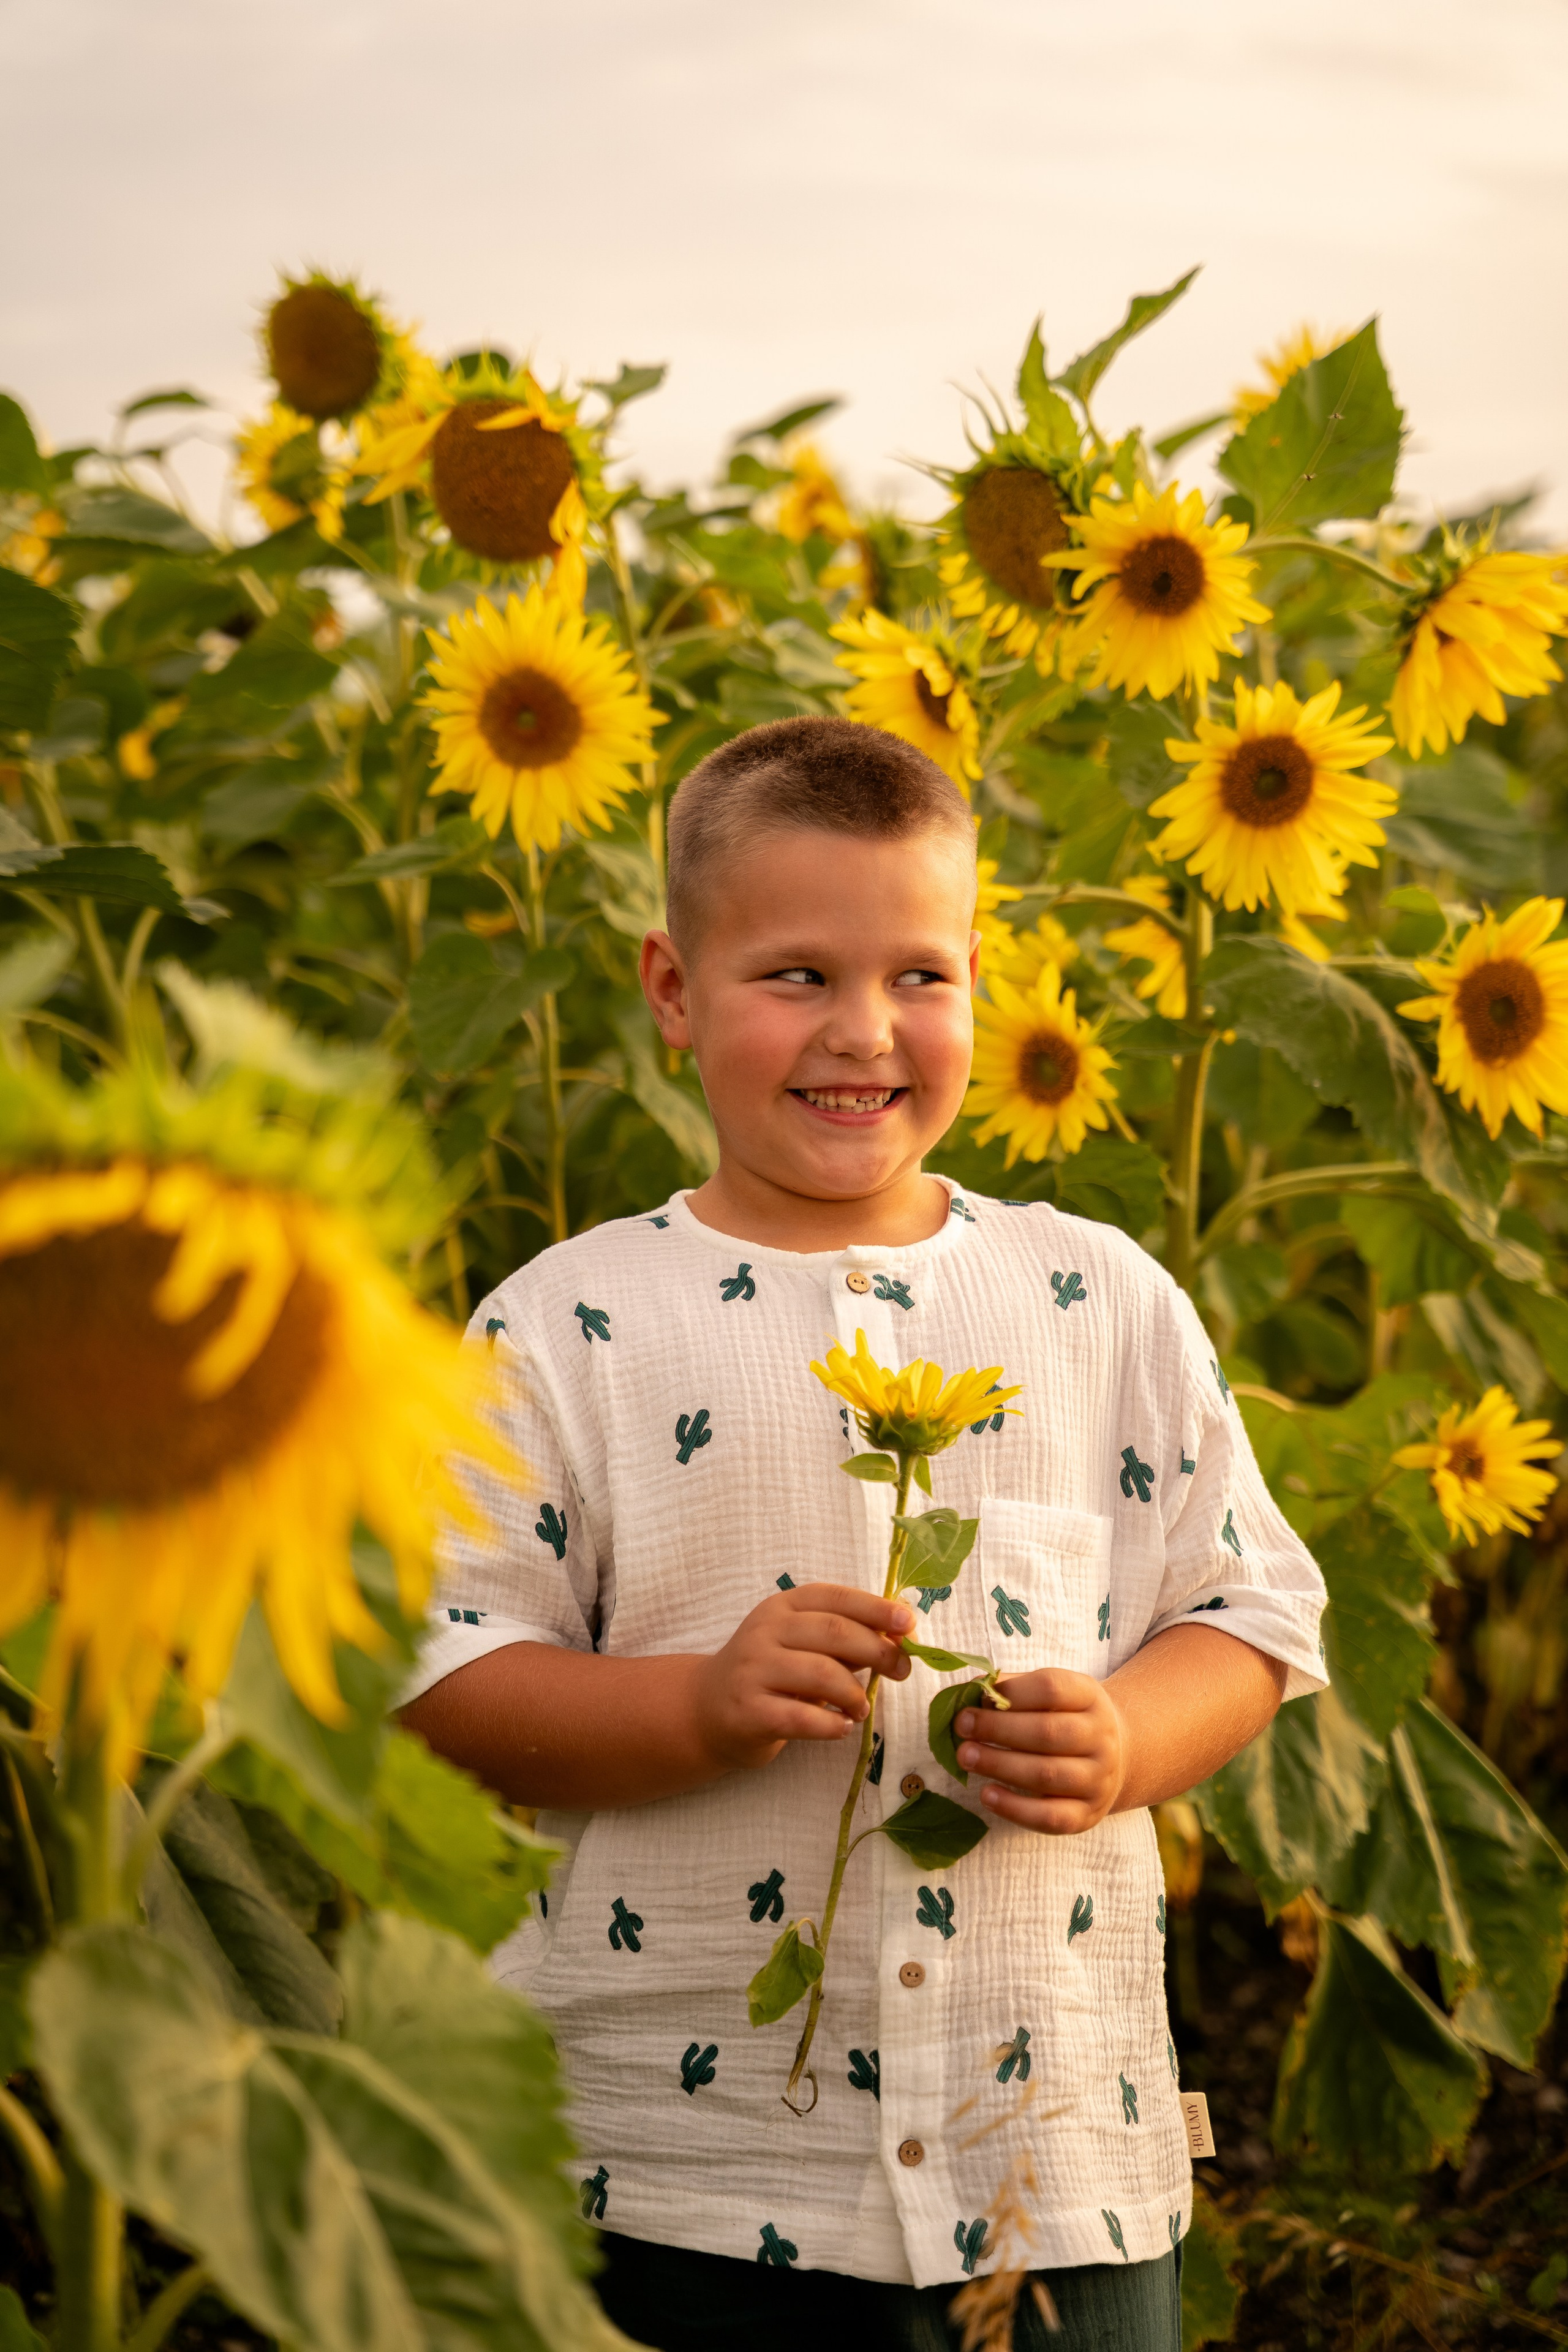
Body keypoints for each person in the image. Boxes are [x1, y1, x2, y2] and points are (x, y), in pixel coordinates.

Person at [400, 715, 1327, 2352]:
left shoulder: (1094, 1296)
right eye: (793, 977)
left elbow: (1244, 1617)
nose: (864, 1031)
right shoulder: (572, 1327)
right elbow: (445, 1677)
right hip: (670, 2169)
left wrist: (1124, 1738)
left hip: (1048, 2159)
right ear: (674, 991)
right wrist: (688, 1710)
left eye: (917, 975)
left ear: (978, 971)